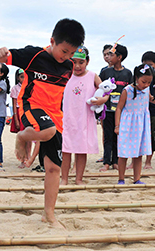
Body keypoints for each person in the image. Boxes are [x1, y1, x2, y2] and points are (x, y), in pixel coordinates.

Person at [0, 18, 85, 229]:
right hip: (30, 106)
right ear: (52, 41)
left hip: (55, 115)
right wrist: (1, 54)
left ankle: (49, 215)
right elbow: (6, 57)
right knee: (47, 130)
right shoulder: (34, 55)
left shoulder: (69, 66)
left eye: (72, 53)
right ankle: (22, 136)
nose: (67, 56)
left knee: (55, 168)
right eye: (64, 51)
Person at [115, 64, 155, 184]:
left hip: (141, 124)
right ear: (136, 78)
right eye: (143, 81)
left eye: (149, 82)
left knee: (139, 153)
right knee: (124, 153)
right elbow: (119, 108)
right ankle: (121, 178)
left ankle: (137, 178)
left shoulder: (146, 89)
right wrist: (117, 125)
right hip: (128, 124)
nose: (146, 85)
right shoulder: (127, 90)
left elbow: (151, 98)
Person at [61, 46, 106, 185]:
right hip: (67, 119)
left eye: (81, 62)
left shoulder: (92, 76)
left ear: (87, 61)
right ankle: (64, 179)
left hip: (84, 119)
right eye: (74, 62)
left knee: (81, 151)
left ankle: (78, 178)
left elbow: (105, 90)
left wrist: (103, 99)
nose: (77, 66)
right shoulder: (65, 75)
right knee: (66, 150)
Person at [99, 43, 133, 172]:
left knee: (119, 136)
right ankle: (106, 162)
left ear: (119, 57)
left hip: (122, 112)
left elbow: (130, 92)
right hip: (107, 110)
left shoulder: (128, 73)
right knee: (108, 136)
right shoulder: (105, 72)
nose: (109, 57)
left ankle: (116, 161)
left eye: (111, 54)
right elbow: (99, 89)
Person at [10, 68, 30, 168]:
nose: (23, 78)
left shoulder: (30, 87)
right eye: (22, 76)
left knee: (29, 137)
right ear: (18, 78)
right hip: (19, 112)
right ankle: (23, 159)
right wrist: (16, 118)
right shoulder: (15, 88)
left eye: (25, 76)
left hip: (28, 112)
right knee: (21, 138)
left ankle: (29, 157)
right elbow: (14, 105)